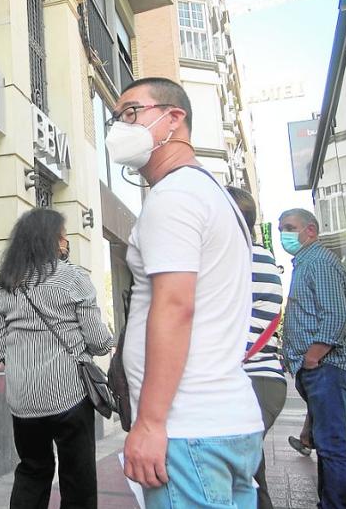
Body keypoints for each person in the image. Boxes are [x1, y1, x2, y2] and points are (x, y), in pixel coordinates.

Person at [108, 78, 264, 507]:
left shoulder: (174, 196)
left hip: (188, 430)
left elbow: (175, 306)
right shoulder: (213, 196)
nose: (118, 128)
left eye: (130, 113)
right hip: (224, 423)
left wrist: (151, 423)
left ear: (173, 118)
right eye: (116, 118)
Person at [0, 208, 113, 509]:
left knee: (32, 470)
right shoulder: (72, 278)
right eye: (62, 236)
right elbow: (98, 342)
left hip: (23, 401)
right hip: (68, 394)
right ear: (50, 240)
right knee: (77, 476)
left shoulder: (5, 286)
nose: (65, 242)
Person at [279, 208, 346, 508]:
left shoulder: (319, 262)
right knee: (327, 447)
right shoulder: (305, 263)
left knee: (332, 447)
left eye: (289, 227)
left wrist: (314, 356)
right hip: (318, 369)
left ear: (311, 231)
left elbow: (335, 315)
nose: (283, 234)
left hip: (327, 367)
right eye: (281, 228)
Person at [226, 186, 286, 509]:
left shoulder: (241, 258)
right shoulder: (262, 257)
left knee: (242, 471)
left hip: (253, 380)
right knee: (250, 471)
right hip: (263, 381)